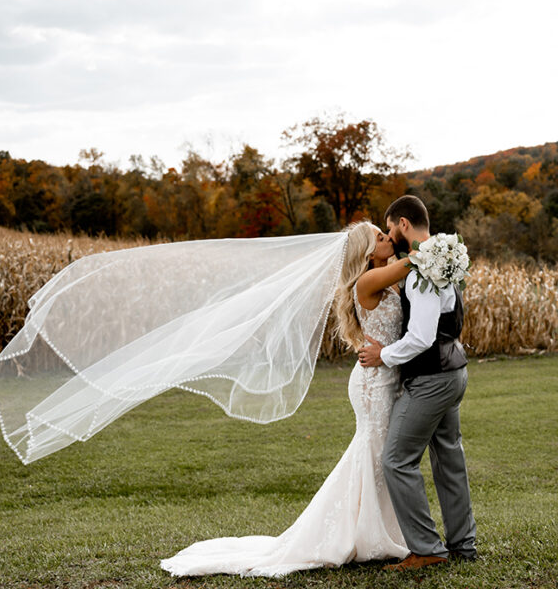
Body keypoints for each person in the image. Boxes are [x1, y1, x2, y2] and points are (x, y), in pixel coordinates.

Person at [160, 221, 415, 577]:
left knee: (377, 454)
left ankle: (379, 531)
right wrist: (431, 243)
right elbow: (416, 261)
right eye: (381, 237)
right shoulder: (369, 280)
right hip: (373, 383)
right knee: (375, 453)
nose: (389, 240)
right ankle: (364, 535)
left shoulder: (384, 280)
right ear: (367, 252)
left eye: (387, 234)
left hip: (384, 377)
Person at [358, 194, 478, 570]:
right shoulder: (446, 259)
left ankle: (427, 549)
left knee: (396, 460)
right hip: (455, 371)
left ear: (403, 225)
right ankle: (462, 544)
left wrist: (384, 356)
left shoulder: (425, 270)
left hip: (432, 378)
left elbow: (422, 337)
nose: (389, 235)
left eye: (390, 227)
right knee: (449, 460)